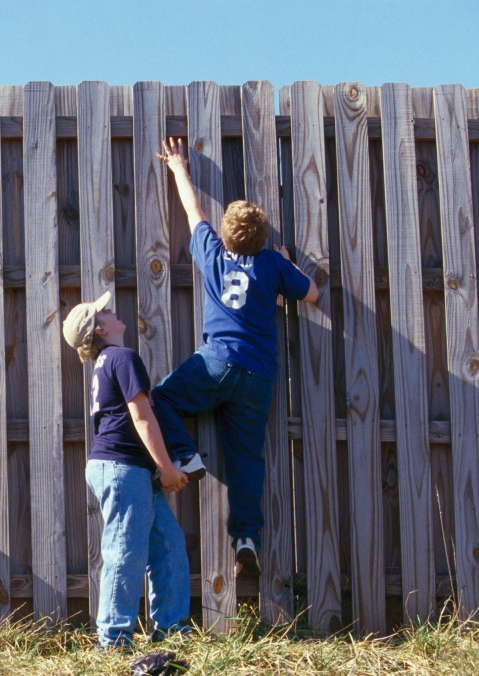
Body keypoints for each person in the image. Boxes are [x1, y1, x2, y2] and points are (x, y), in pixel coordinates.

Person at [152, 137, 319, 577]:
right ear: (265, 240)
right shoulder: (272, 264)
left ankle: (186, 455)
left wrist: (178, 168)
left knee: (163, 399)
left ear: (226, 234)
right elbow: (314, 294)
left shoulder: (211, 253)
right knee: (246, 458)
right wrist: (287, 261)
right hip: (258, 376)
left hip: (217, 362)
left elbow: (193, 211)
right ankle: (246, 536)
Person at [62, 291, 191, 649]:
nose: (111, 309)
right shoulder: (122, 356)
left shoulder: (107, 362)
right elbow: (142, 416)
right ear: (100, 328)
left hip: (126, 468)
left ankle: (173, 630)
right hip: (122, 469)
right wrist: (166, 468)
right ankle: (113, 639)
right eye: (104, 310)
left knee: (168, 544)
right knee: (125, 551)